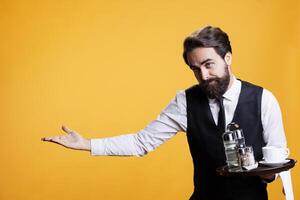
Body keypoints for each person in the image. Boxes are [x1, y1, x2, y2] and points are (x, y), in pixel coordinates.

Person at [42, 26, 288, 200]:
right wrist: (87, 144)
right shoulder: (185, 101)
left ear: (228, 57)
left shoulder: (264, 100)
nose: (203, 76)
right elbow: (141, 143)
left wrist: (268, 176)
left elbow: (276, 162)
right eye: (195, 69)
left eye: (208, 64)